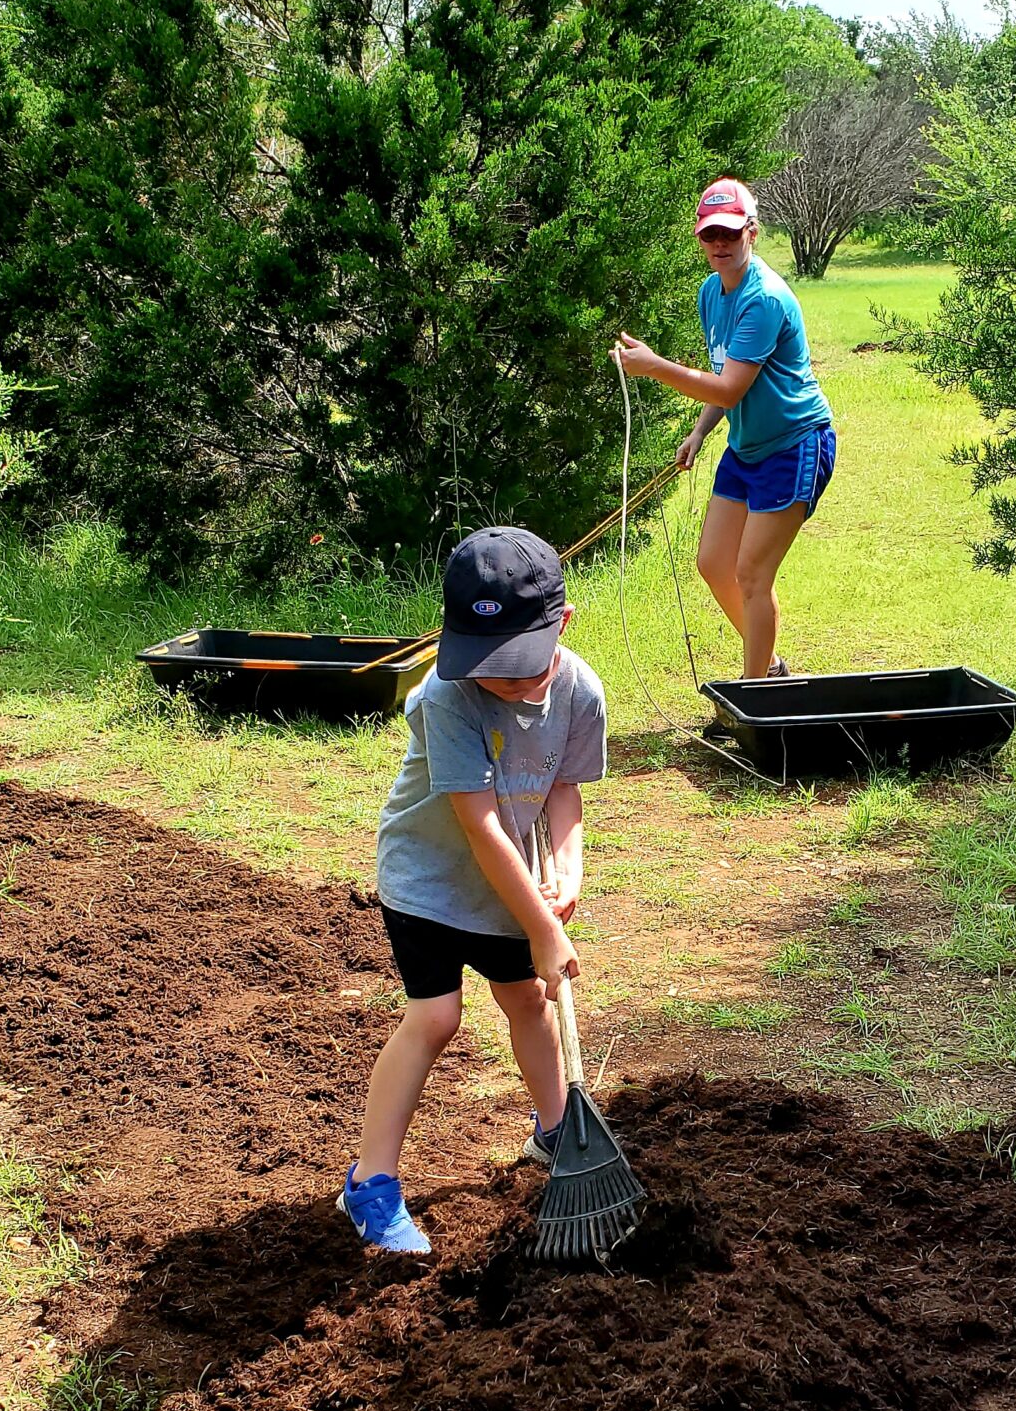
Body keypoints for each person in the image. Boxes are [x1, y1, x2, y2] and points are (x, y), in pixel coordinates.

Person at [340, 527, 606, 1255]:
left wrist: (567, 871)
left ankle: (560, 1138)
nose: (512, 686)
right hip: (427, 880)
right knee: (436, 1018)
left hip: (503, 890)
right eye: (493, 669)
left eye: (524, 668)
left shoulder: (580, 691)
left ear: (563, 625)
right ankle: (371, 1186)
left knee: (527, 999)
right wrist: (546, 930)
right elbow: (481, 826)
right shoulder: (446, 697)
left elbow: (564, 795)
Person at [613, 178, 835, 680]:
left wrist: (654, 366)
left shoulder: (764, 300)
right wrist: (699, 432)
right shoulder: (711, 292)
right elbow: (721, 378)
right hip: (747, 446)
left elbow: (729, 389)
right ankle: (771, 666)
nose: (719, 245)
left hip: (794, 444)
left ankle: (756, 694)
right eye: (710, 235)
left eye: (730, 234)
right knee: (714, 563)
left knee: (752, 574)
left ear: (751, 233)